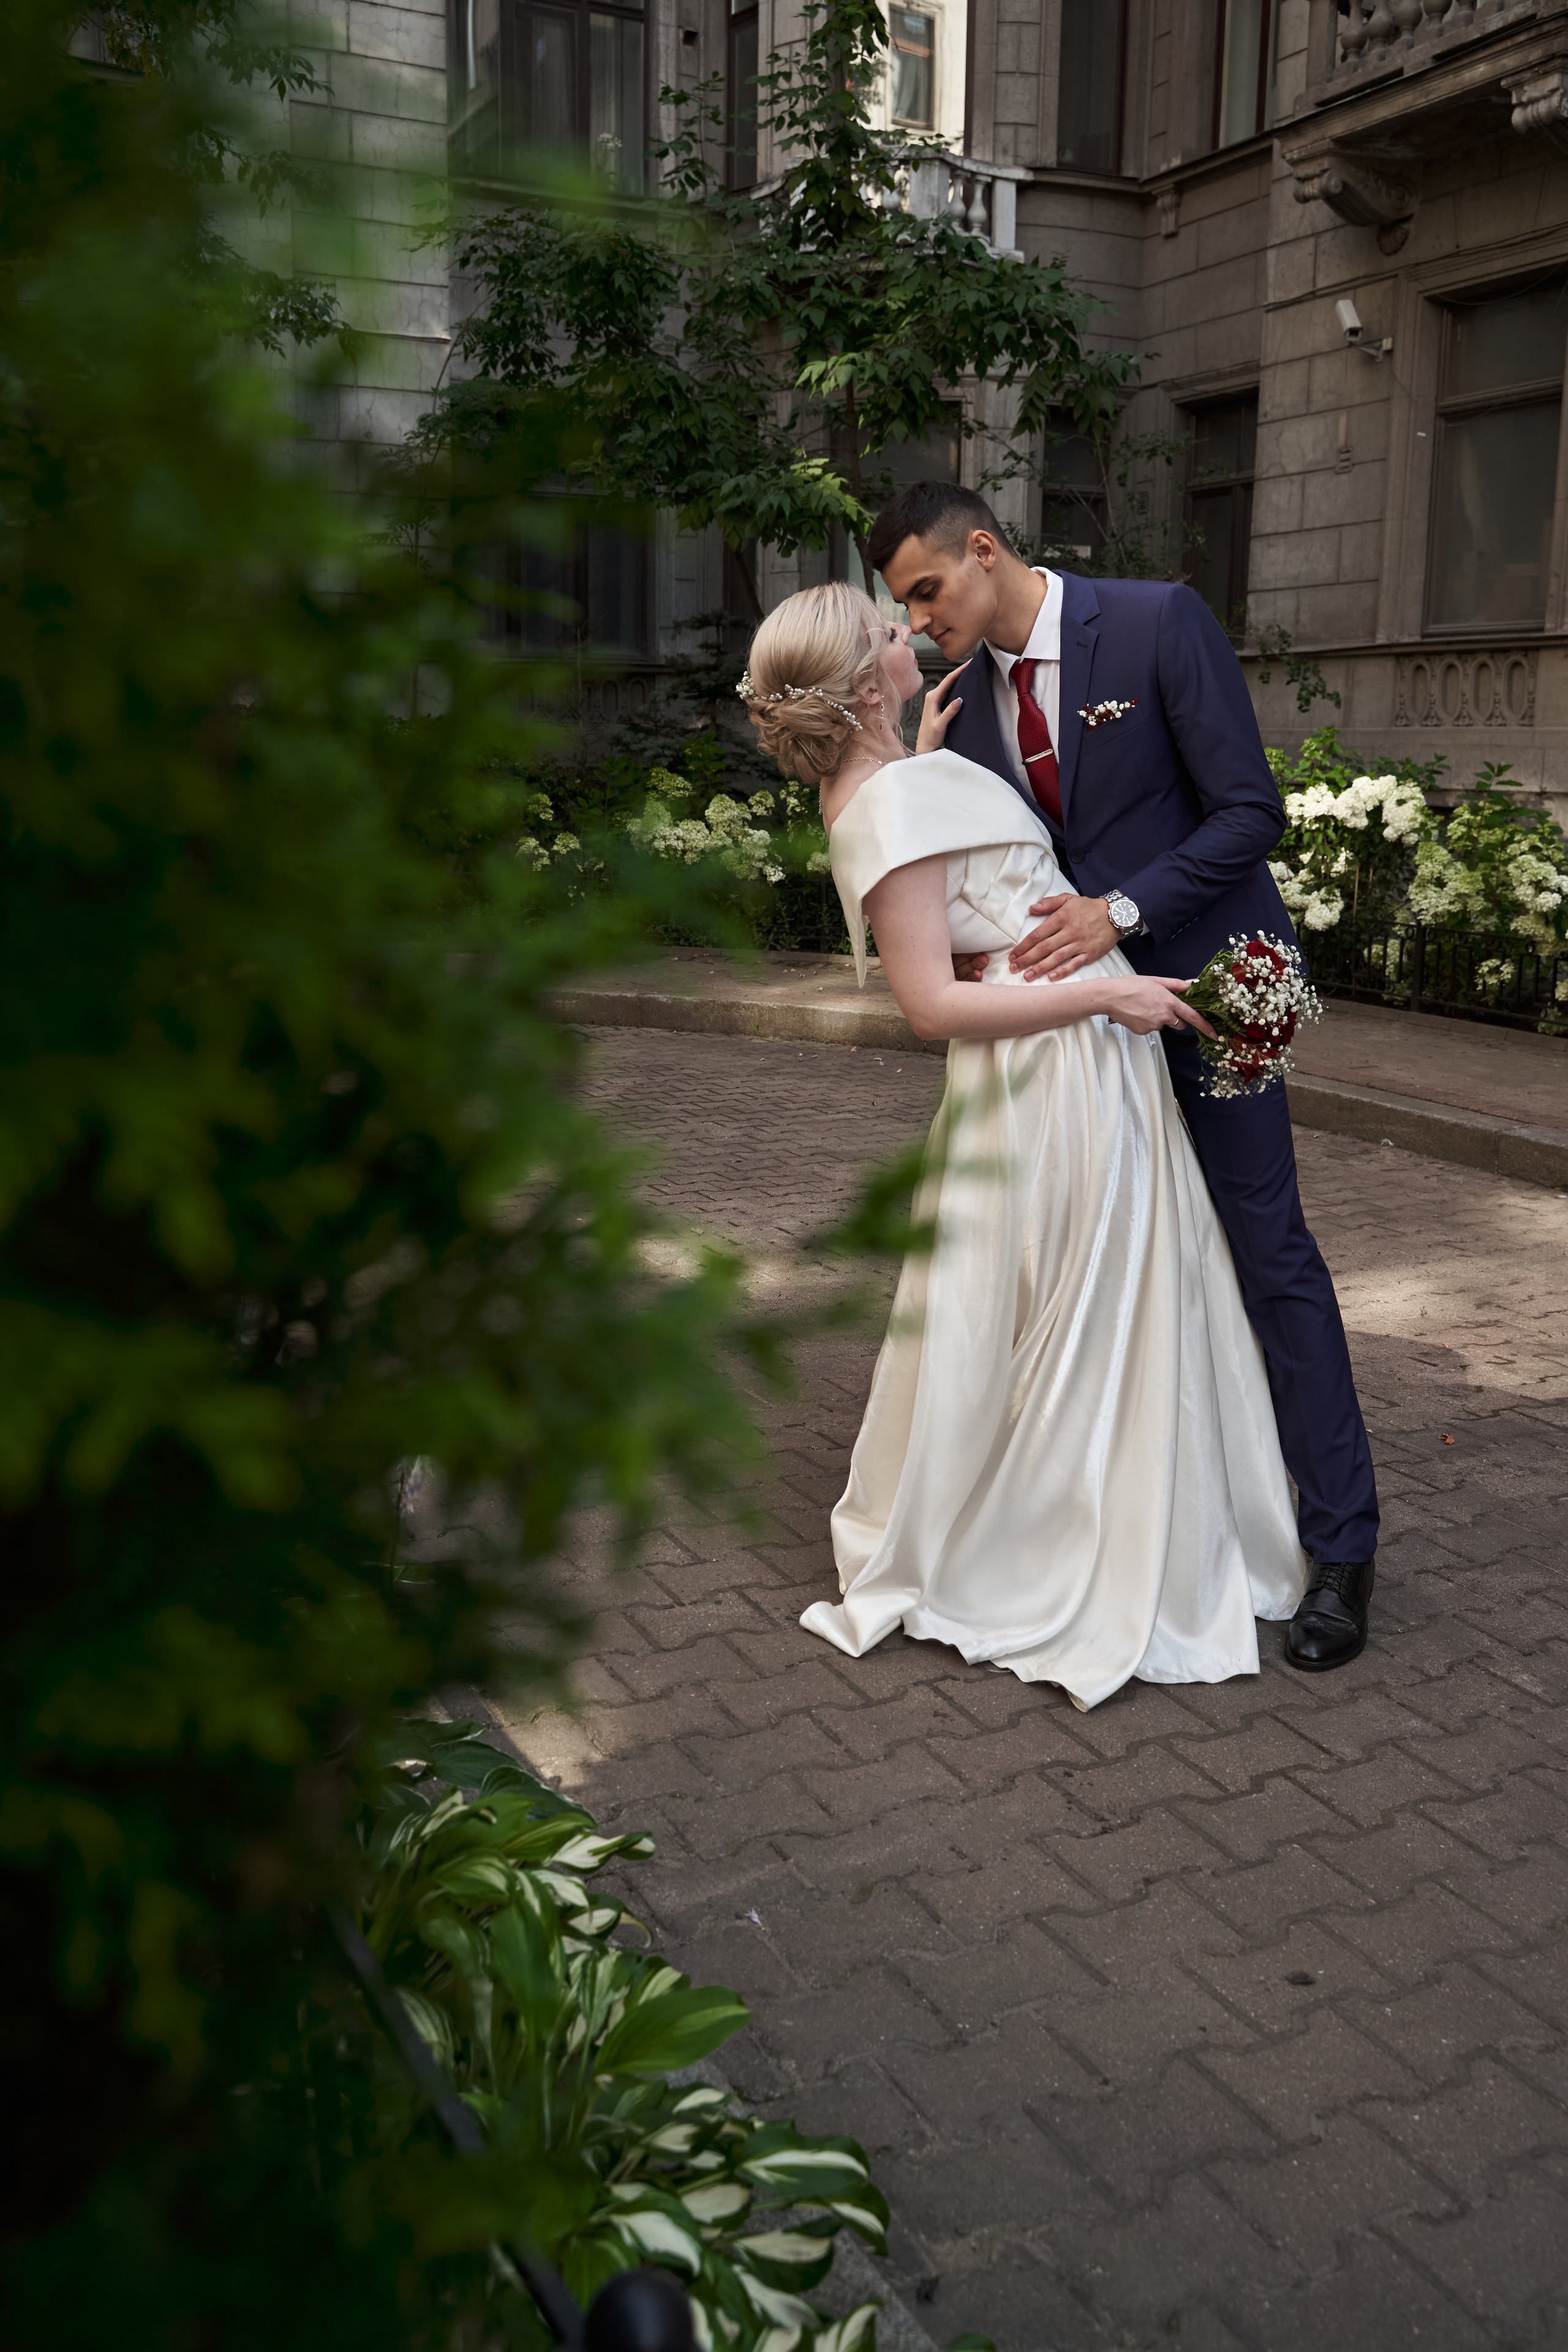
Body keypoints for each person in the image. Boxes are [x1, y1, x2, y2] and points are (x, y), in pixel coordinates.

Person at [740, 581, 1308, 1712]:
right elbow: (932, 1007)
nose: (910, 633)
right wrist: (1115, 1002)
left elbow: (967, 920)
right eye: (886, 628)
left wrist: (930, 754)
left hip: (1081, 1056)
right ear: (863, 687)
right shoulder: (889, 806)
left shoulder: (898, 778)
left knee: (1105, 1304)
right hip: (1062, 1074)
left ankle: (1105, 1512)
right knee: (1095, 1310)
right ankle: (1064, 1543)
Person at [864, 481, 1378, 1673]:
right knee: (1143, 1281)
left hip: (1220, 989)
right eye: (904, 605)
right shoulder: (964, 713)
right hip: (1082, 1048)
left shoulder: (1154, 622)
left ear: (981, 551)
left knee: (1265, 1251)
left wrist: (1122, 912)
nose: (922, 620)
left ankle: (1341, 1551)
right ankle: (1171, 1528)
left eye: (928, 591)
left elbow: (1251, 812)